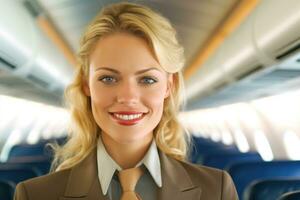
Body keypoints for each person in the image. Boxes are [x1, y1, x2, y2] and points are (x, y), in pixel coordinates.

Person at [14, 2, 238, 200]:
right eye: (108, 78)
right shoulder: (34, 195)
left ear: (169, 86)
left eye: (147, 79)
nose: (128, 97)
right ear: (86, 84)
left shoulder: (216, 190)